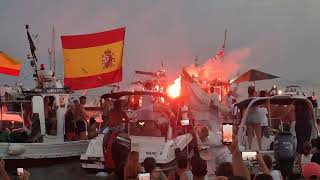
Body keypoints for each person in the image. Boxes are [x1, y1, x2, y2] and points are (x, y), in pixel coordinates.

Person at [246, 86, 262, 150]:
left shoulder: (247, 99)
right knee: (258, 133)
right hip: (256, 116)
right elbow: (259, 104)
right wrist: (257, 95)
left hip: (249, 116)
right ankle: (260, 147)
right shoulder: (256, 98)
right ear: (253, 91)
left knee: (250, 133)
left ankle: (250, 147)